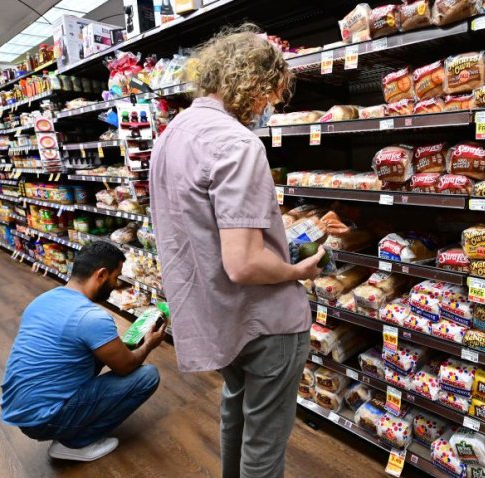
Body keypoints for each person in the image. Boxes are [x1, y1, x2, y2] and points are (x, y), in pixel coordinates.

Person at [149, 25, 324, 478]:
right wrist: (298, 269)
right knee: (264, 445)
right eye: (271, 95)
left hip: (214, 316)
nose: (268, 106)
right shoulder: (237, 142)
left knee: (236, 412)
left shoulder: (170, 135)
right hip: (264, 321)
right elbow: (244, 262)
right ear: (254, 83)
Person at [0, 241, 166, 462]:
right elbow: (126, 366)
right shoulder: (91, 317)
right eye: (115, 278)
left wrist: (130, 344)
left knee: (95, 354)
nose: (116, 285)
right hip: (42, 420)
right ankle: (75, 443)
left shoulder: (43, 300)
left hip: (21, 409)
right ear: (101, 274)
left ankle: (69, 427)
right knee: (147, 376)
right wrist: (149, 345)